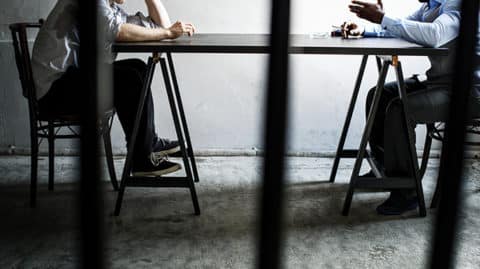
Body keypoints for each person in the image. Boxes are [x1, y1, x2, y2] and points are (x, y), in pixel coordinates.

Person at [342, 0, 480, 215]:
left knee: (399, 109)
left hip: (469, 92)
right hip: (441, 82)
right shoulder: (429, 7)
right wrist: (367, 29)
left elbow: (435, 34)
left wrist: (382, 18)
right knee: (380, 94)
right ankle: (386, 171)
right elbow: (403, 29)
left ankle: (407, 193)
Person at [31, 0, 195, 176]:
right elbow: (117, 31)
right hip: (55, 92)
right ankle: (141, 159)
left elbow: (155, 27)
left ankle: (148, 144)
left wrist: (161, 22)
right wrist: (168, 32)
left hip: (72, 81)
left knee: (137, 68)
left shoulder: (110, 9)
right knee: (129, 78)